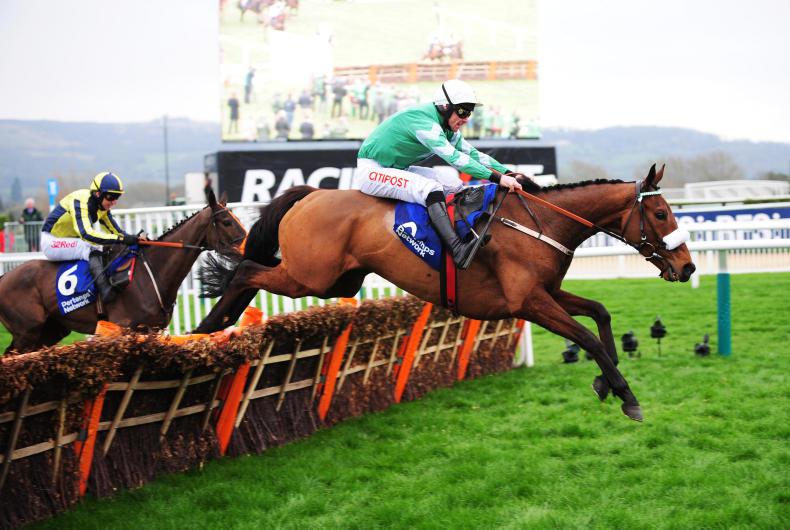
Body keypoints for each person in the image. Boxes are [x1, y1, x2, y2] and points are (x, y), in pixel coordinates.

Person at [355, 79, 527, 269]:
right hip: (372, 170)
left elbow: (473, 154)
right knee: (431, 189)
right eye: (462, 111)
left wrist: (509, 172)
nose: (466, 118)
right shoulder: (424, 123)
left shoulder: (447, 126)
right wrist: (499, 178)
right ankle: (457, 249)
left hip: (396, 169)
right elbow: (456, 158)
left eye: (469, 112)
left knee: (453, 184)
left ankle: (465, 231)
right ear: (445, 106)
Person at [40, 172, 147, 302]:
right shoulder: (80, 201)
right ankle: (105, 291)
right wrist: (121, 239)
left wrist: (134, 239)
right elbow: (86, 234)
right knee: (90, 247)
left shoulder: (102, 207)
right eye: (111, 197)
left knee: (105, 247)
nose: (114, 202)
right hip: (52, 241)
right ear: (97, 193)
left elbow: (117, 232)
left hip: (70, 240)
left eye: (117, 197)